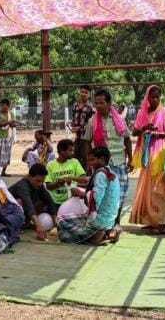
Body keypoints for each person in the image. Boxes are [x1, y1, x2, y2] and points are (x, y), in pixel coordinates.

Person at [82, 88, 132, 234]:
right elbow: (86, 141)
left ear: (109, 103)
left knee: (120, 193)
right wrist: (88, 162)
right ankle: (105, 223)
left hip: (119, 162)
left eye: (101, 102)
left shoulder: (120, 120)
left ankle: (116, 223)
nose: (98, 106)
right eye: (96, 103)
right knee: (103, 194)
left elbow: (127, 139)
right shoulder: (92, 122)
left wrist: (131, 159)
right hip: (102, 164)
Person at [129, 85, 165, 235]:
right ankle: (150, 221)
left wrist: (158, 133)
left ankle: (162, 224)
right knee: (147, 188)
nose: (155, 99)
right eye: (152, 97)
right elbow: (134, 131)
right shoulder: (142, 113)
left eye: (157, 97)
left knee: (158, 188)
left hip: (160, 153)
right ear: (147, 98)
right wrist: (144, 128)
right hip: (146, 154)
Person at [56, 147, 120, 245]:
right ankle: (108, 231)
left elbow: (96, 198)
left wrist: (81, 194)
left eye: (92, 160)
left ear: (102, 159)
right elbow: (88, 180)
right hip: (110, 220)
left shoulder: (100, 175)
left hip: (99, 221)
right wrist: (72, 179)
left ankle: (96, 235)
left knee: (61, 220)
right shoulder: (109, 172)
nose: (90, 163)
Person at [9, 163, 57, 240]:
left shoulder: (40, 185)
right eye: (37, 181)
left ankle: (26, 223)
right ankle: (15, 226)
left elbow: (49, 201)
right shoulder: (22, 186)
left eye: (42, 181)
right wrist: (38, 225)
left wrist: (56, 223)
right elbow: (28, 206)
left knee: (43, 200)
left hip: (25, 210)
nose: (40, 184)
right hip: (7, 214)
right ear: (29, 176)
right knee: (20, 201)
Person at [45, 139, 87, 210]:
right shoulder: (50, 165)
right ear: (61, 151)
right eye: (70, 150)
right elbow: (48, 186)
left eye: (73, 150)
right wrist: (58, 182)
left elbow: (84, 180)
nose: (73, 153)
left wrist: (71, 178)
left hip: (72, 200)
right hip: (56, 202)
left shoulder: (74, 162)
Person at [69, 85, 95, 161]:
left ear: (89, 94)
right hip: (78, 138)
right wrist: (71, 125)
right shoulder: (75, 106)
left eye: (86, 92)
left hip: (86, 139)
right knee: (75, 158)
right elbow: (74, 121)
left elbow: (92, 123)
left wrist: (79, 127)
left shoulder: (91, 107)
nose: (83, 94)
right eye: (82, 92)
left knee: (85, 159)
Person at [0, 98, 16, 176]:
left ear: (8, 106)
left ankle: (3, 171)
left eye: (4, 105)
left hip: (8, 136)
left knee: (7, 154)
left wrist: (11, 124)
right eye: (1, 105)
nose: (2, 107)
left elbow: (14, 124)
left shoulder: (11, 113)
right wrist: (8, 123)